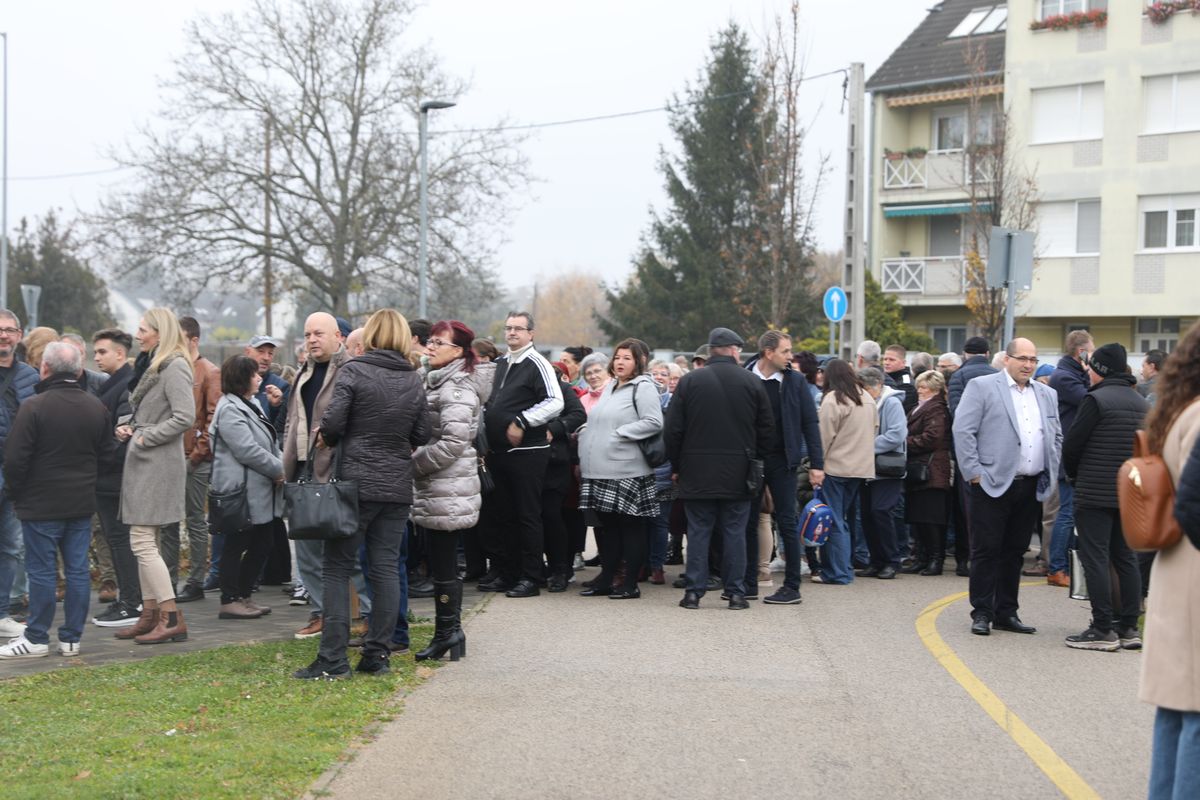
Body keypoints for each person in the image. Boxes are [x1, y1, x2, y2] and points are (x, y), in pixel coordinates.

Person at [294, 309, 429, 680]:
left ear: (371, 336)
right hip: (396, 485)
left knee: (336, 567)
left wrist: (328, 434)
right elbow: (422, 433)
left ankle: (333, 659)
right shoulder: (412, 377)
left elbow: (333, 423)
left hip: (355, 484)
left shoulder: (355, 370)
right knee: (385, 569)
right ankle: (377, 655)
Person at [0, 343, 111, 659]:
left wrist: (16, 494)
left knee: (42, 572)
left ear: (44, 369)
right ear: (78, 370)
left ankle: (36, 637)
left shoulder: (34, 407)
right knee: (77, 571)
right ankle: (71, 638)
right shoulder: (96, 407)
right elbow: (107, 455)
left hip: (40, 504)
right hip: (80, 503)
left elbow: (15, 460)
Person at [952, 338, 1061, 637]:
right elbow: (963, 430)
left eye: (1033, 359)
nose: (1028, 365)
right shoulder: (982, 387)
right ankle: (982, 611)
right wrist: (974, 473)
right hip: (990, 483)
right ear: (1007, 359)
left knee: (1014, 551)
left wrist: (1051, 468)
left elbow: (1055, 434)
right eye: (1022, 358)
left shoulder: (1047, 393)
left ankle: (1006, 612)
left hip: (1030, 485)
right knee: (986, 550)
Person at [665, 327, 773, 610]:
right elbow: (766, 430)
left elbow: (673, 429)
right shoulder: (752, 382)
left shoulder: (690, 382)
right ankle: (736, 593)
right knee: (735, 532)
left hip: (696, 470)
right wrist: (756, 460)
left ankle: (693, 592)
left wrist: (677, 464)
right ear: (734, 350)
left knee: (699, 531)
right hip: (739, 471)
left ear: (711, 350)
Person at [1139, 321, 1200, 798]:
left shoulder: (1179, 410)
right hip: (1194, 575)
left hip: (1177, 571)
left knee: (1177, 707)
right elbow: (1194, 505)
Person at [115, 308, 196, 645]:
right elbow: (150, 412)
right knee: (145, 539)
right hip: (147, 460)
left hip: (157, 462)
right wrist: (128, 426)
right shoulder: (156, 365)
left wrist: (147, 436)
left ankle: (170, 616)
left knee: (142, 540)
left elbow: (185, 416)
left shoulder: (174, 366)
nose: (137, 335)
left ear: (160, 332)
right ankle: (150, 615)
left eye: (143, 329)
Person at [1061, 343, 1148, 651]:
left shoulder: (1095, 399)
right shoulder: (1142, 403)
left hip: (1095, 492)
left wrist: (1074, 476)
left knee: (1095, 557)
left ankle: (1102, 628)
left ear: (1100, 370)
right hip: (1131, 494)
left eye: (1091, 366)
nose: (1087, 371)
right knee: (1126, 558)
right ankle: (1128, 627)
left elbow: (1072, 445)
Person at [478, 311, 563, 598]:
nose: (512, 332)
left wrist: (522, 421)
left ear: (531, 334)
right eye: (508, 328)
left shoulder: (537, 363)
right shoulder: (500, 363)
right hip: (498, 451)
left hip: (528, 451)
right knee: (504, 515)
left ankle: (531, 576)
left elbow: (555, 401)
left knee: (527, 515)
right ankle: (509, 572)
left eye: (518, 328)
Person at [412, 321, 483, 661]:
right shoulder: (435, 379)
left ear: (457, 351)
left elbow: (454, 442)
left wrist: (413, 465)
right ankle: (450, 631)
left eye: (439, 342)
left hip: (448, 487)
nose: (430, 346)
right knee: (440, 562)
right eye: (430, 340)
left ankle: (448, 632)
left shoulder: (457, 387)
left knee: (443, 563)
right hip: (436, 485)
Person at [280, 312, 351, 640]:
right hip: (302, 471)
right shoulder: (303, 373)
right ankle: (321, 613)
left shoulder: (350, 370)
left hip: (336, 471)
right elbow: (292, 420)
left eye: (318, 334)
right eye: (308, 334)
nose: (312, 340)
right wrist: (287, 459)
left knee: (343, 550)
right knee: (306, 549)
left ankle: (359, 615)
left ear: (338, 336)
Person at [576, 338, 663, 600]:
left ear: (639, 361)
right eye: (617, 357)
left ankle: (630, 583)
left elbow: (654, 421)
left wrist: (619, 433)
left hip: (627, 471)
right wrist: (587, 431)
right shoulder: (612, 386)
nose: (620, 362)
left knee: (631, 528)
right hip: (600, 470)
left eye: (627, 358)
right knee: (609, 529)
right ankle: (607, 578)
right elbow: (600, 418)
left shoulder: (643, 387)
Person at [742, 331, 824, 605]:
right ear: (768, 353)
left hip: (783, 461)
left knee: (787, 521)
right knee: (748, 521)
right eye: (785, 351)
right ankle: (748, 583)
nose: (790, 356)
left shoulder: (795, 381)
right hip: (751, 461)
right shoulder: (746, 377)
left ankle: (791, 586)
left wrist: (817, 464)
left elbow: (810, 423)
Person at [161, 316, 222, 603]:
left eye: (179, 338)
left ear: (194, 340)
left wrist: (196, 455)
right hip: (171, 456)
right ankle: (168, 581)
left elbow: (213, 419)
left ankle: (195, 582)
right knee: (168, 523)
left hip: (194, 459)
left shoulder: (208, 371)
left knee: (195, 520)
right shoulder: (173, 368)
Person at [90, 329, 143, 628]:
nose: (96, 357)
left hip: (115, 478)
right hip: (110, 477)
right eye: (95, 352)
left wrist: (102, 459)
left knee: (121, 540)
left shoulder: (125, 387)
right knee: (118, 540)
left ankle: (131, 603)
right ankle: (130, 600)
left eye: (102, 352)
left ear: (120, 354)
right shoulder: (113, 384)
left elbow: (123, 439)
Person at [814, 359, 876, 585]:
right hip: (860, 468)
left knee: (834, 520)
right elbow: (874, 429)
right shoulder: (866, 397)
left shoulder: (833, 399)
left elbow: (823, 436)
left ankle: (838, 572)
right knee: (844, 518)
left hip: (836, 466)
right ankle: (844, 567)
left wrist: (816, 464)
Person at [1045, 329, 1095, 588]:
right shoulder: (1065, 377)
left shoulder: (1072, 374)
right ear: (1081, 352)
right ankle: (1057, 568)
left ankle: (1064, 565)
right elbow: (1089, 400)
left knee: (1071, 512)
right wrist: (1090, 372)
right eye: (1091, 351)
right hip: (1068, 454)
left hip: (1073, 453)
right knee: (1066, 513)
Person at [0, 310, 39, 639]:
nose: (4, 336)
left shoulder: (30, 376)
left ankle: (2, 612)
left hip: (17, 473)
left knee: (12, 546)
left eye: (9, 330)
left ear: (20, 335)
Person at [856, 367, 906, 580]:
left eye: (864, 388)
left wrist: (866, 445)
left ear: (876, 385)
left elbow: (896, 434)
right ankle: (876, 561)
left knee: (881, 511)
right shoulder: (870, 402)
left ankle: (891, 561)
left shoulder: (891, 403)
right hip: (868, 468)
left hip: (886, 469)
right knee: (868, 515)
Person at [903, 370, 953, 575]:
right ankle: (922, 557)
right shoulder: (921, 407)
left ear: (934, 389)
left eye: (923, 387)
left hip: (932, 470)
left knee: (932, 519)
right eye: (919, 387)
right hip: (921, 468)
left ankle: (935, 559)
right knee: (919, 518)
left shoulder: (937, 409)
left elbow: (933, 437)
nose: (919, 391)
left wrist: (904, 443)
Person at [245, 334, 289, 432]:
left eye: (270, 353)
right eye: (261, 351)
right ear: (247, 352)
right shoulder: (235, 382)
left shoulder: (281, 386)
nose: (266, 358)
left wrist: (275, 407)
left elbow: (282, 429)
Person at [947, 337, 995, 417]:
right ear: (987, 354)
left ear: (964, 353)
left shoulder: (958, 376)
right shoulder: (998, 374)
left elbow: (956, 410)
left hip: (968, 423)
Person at [882, 345, 918, 415]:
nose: (887, 363)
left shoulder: (906, 384)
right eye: (885, 359)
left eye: (892, 360)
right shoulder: (884, 377)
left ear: (903, 362)